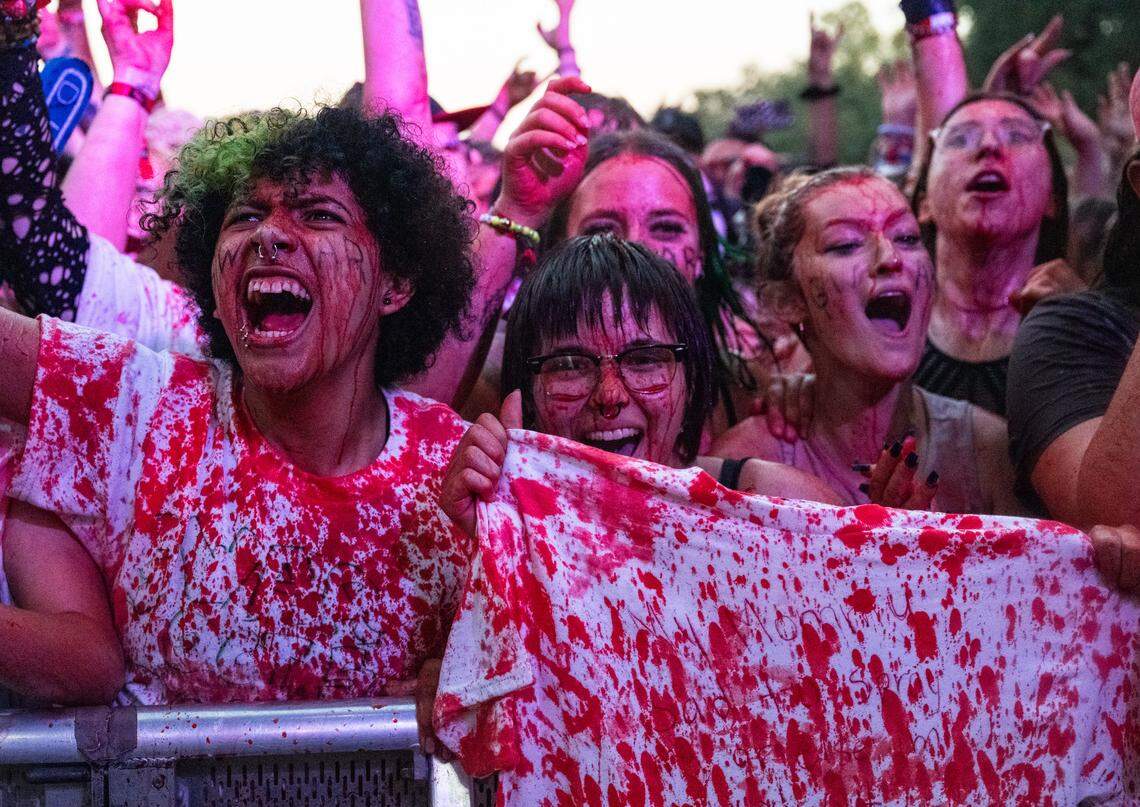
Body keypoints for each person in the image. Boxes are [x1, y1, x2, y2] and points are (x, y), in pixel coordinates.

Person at [0, 102, 479, 706]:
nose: (269, 234)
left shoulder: (460, 478)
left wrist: (475, 679)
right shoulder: (142, 408)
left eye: (319, 215)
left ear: (396, 284)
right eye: (245, 215)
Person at [441, 235, 841, 541]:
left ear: (693, 378)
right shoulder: (494, 515)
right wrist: (492, 548)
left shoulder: (783, 510)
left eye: (645, 359)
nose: (610, 396)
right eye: (569, 365)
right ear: (525, 391)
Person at [713, 167, 1021, 514]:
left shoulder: (989, 453)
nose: (891, 258)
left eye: (906, 237)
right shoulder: (737, 470)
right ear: (788, 300)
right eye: (845, 245)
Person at [909, 92, 1069, 415]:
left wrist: (1088, 328)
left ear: (1053, 198)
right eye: (960, 139)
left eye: (1017, 136)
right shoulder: (881, 326)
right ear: (924, 204)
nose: (989, 146)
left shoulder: (1092, 333)